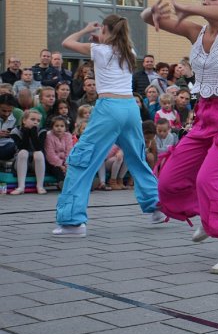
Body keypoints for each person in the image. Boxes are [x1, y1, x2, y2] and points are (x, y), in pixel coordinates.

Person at [142, 0, 218, 274]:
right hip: (205, 117)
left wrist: (185, 7)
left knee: (212, 179)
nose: (205, 2)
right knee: (168, 181)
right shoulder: (196, 32)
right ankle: (210, 216)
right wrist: (150, 11)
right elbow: (149, 19)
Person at [52, 17, 161, 235]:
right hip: (130, 107)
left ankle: (72, 221)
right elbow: (113, 46)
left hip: (109, 108)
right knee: (137, 158)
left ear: (107, 30)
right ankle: (156, 207)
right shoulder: (129, 50)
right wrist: (100, 37)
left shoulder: (99, 50)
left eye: (102, 28)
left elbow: (67, 42)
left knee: (82, 158)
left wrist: (85, 29)